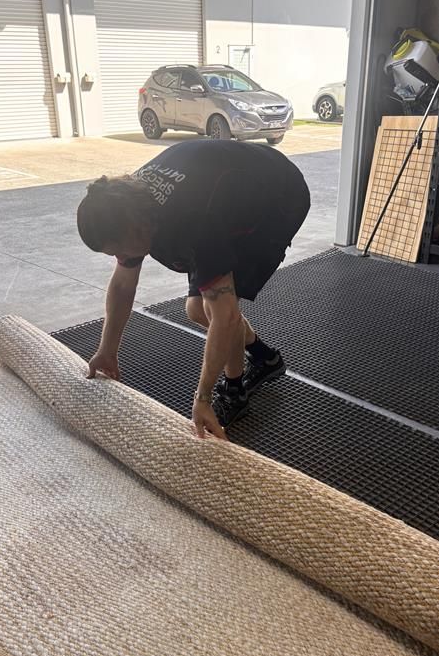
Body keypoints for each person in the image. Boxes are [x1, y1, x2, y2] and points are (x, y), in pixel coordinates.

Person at [77, 139, 310, 440]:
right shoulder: (126, 205)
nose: (120, 256)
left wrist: (202, 398)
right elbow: (123, 284)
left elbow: (225, 316)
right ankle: (265, 359)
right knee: (197, 309)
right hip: (228, 184)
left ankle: (235, 393)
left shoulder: (191, 223)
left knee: (220, 312)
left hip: (277, 197)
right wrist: (107, 350)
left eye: (120, 248)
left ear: (139, 226)